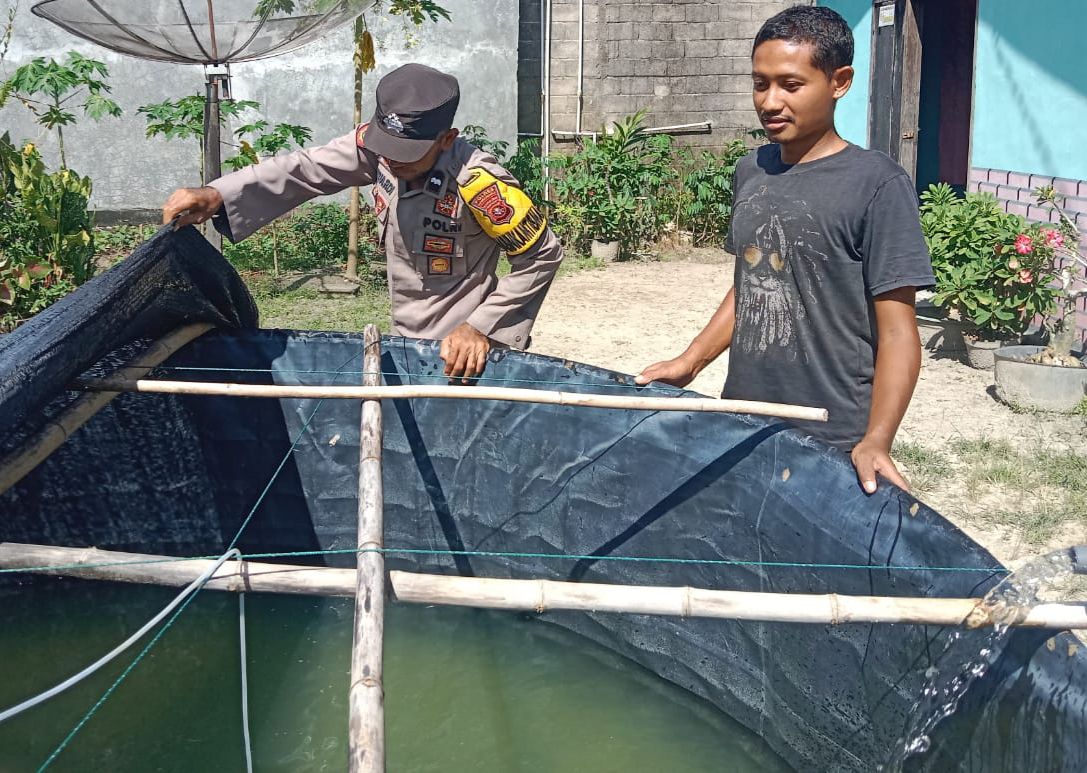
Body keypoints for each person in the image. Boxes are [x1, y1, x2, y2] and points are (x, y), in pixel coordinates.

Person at [636, 6, 934, 494]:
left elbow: (899, 333)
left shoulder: (877, 185)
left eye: (790, 85)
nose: (770, 101)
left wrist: (877, 439)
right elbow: (749, 285)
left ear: (839, 82)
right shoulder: (751, 170)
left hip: (832, 433)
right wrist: (691, 361)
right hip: (744, 417)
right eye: (760, 83)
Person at [163, 63, 563, 382]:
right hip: (405, 337)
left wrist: (481, 328)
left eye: (406, 153)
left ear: (445, 139)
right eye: (385, 149)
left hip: (465, 354)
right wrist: (219, 194)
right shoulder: (378, 151)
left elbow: (543, 255)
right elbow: (305, 169)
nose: (390, 161)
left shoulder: (479, 183)